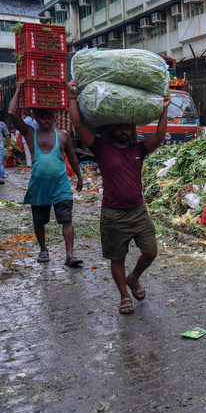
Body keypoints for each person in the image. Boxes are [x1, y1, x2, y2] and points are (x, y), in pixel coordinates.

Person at [68, 79, 171, 315]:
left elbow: (160, 137)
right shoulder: (101, 148)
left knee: (150, 252)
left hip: (138, 211)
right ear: (111, 129)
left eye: (127, 128)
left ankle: (134, 278)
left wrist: (164, 109)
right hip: (113, 214)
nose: (124, 131)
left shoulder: (138, 150)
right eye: (119, 128)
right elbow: (78, 126)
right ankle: (125, 296)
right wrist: (73, 96)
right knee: (117, 258)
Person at [8, 81, 84, 265]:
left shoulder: (63, 135)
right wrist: (18, 89)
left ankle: (69, 255)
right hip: (39, 186)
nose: (46, 120)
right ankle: (43, 250)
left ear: (55, 118)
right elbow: (11, 113)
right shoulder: (29, 133)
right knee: (39, 221)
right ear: (35, 118)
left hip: (61, 185)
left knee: (66, 220)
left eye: (50, 117)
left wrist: (80, 177)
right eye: (42, 117)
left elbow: (73, 158)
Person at [0, 118, 12, 184]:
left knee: (0, 162)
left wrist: (10, 145)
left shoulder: (2, 124)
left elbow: (6, 135)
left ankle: (1, 177)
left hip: (0, 147)